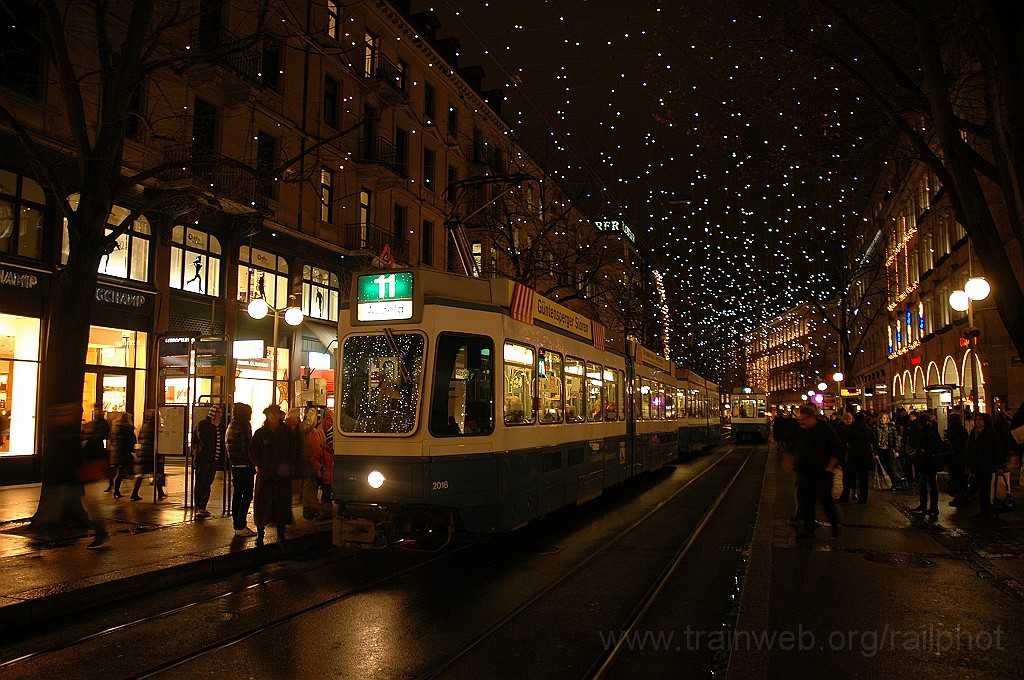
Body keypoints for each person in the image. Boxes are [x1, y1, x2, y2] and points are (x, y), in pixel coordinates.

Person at [790, 404, 843, 540]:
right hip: (805, 473)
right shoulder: (802, 430)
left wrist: (830, 466)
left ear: (811, 418)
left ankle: (835, 525)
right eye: (799, 420)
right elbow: (795, 446)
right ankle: (808, 532)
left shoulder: (825, 431)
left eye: (803, 420)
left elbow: (837, 449)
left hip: (821, 474)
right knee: (807, 504)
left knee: (826, 502)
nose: (801, 422)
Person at [250, 404, 295, 546]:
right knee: (262, 503)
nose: (274, 417)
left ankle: (281, 535)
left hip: (282, 475)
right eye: (271, 414)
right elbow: (253, 451)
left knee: (281, 505)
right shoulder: (260, 433)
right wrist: (260, 464)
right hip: (266, 474)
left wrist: (290, 466)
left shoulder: (286, 432)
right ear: (267, 416)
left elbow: (293, 450)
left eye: (276, 414)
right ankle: (260, 533)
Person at [226, 403, 256, 537]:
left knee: (237, 494)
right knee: (247, 495)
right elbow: (248, 447)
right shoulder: (244, 426)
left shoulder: (231, 425)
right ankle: (241, 524)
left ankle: (236, 524)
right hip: (245, 466)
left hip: (235, 465)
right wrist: (252, 463)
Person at [968, 412, 1004, 518]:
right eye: (976, 419)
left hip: (987, 464)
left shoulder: (992, 434)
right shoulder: (973, 433)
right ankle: (983, 509)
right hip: (976, 465)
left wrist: (999, 466)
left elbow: (997, 451)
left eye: (980, 420)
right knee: (980, 488)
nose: (978, 422)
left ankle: (987, 509)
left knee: (986, 488)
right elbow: (970, 448)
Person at [192, 405, 224, 518]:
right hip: (203, 459)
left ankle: (203, 507)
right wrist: (213, 427)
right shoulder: (203, 425)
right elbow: (204, 439)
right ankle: (198, 507)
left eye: (221, 413)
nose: (220, 415)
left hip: (213, 460)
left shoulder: (219, 427)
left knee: (207, 484)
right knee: (200, 483)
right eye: (218, 413)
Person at [911, 410, 943, 517]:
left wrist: (924, 452)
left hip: (929, 461)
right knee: (926, 484)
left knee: (929, 484)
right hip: (927, 461)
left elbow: (933, 446)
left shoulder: (928, 432)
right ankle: (927, 505)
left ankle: (932, 506)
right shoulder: (928, 431)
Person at [840, 411, 873, 504]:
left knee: (848, 477)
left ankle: (845, 497)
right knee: (863, 479)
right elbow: (874, 440)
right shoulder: (868, 429)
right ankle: (863, 499)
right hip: (865, 457)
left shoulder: (852, 428)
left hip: (854, 456)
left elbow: (845, 438)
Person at [129, 409, 161, 500]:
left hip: (143, 452)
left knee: (142, 474)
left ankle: (160, 492)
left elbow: (139, 438)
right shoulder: (154, 427)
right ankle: (134, 494)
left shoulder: (144, 426)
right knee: (155, 473)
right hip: (150, 453)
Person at [310, 410, 336, 520]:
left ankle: (328, 513)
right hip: (326, 479)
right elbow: (314, 459)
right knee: (325, 497)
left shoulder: (331, 453)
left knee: (328, 497)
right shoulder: (324, 452)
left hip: (330, 479)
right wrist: (321, 467)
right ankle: (325, 513)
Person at [109, 412, 137, 498]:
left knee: (117, 471)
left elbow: (111, 439)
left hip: (115, 450)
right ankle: (116, 490)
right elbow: (131, 441)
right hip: (123, 451)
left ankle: (114, 488)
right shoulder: (128, 428)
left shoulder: (115, 427)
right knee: (120, 472)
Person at [945, 411, 970, 507]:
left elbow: (951, 445)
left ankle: (958, 497)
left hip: (954, 458)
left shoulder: (951, 431)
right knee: (963, 477)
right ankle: (965, 495)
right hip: (963, 457)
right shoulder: (962, 430)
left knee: (955, 477)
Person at [873, 412, 900, 488]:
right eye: (881, 418)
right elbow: (874, 441)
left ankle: (892, 483)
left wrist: (896, 450)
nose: (882, 420)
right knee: (882, 467)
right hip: (880, 450)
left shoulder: (891, 428)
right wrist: (875, 452)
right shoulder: (875, 428)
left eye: (884, 418)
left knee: (891, 467)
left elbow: (895, 439)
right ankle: (883, 484)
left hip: (889, 449)